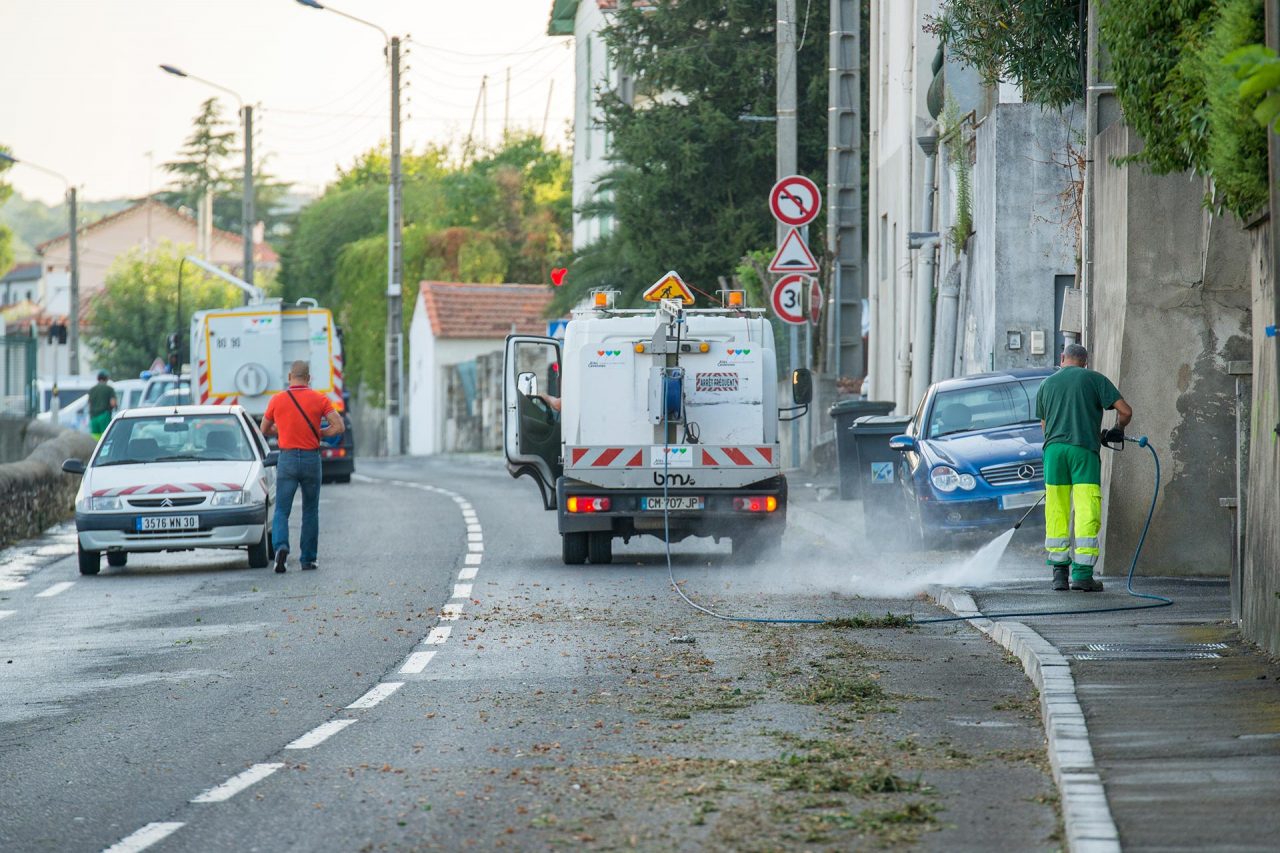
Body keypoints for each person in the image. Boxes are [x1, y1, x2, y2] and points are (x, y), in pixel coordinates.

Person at [1034, 344, 1132, 592]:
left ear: (1062, 358)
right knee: (1087, 508)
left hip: (1054, 452)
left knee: (1057, 509)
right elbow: (1125, 411)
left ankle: (1059, 574)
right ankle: (1082, 575)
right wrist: (1116, 430)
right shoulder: (1094, 379)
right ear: (1085, 362)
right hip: (1083, 452)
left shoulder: (1046, 385)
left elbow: (1044, 427)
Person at [260, 360, 344, 573]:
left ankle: (281, 548)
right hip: (310, 460)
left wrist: (284, 429)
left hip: (287, 459)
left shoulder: (277, 400)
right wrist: (319, 432)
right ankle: (308, 559)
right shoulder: (319, 398)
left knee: (281, 509)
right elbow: (339, 426)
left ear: (290, 377)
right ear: (308, 379)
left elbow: (264, 428)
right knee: (310, 510)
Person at [87, 371, 117, 440]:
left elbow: (89, 403)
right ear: (106, 379)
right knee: (106, 438)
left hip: (93, 418)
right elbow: (113, 403)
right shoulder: (109, 389)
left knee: (95, 439)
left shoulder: (92, 389)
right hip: (104, 416)